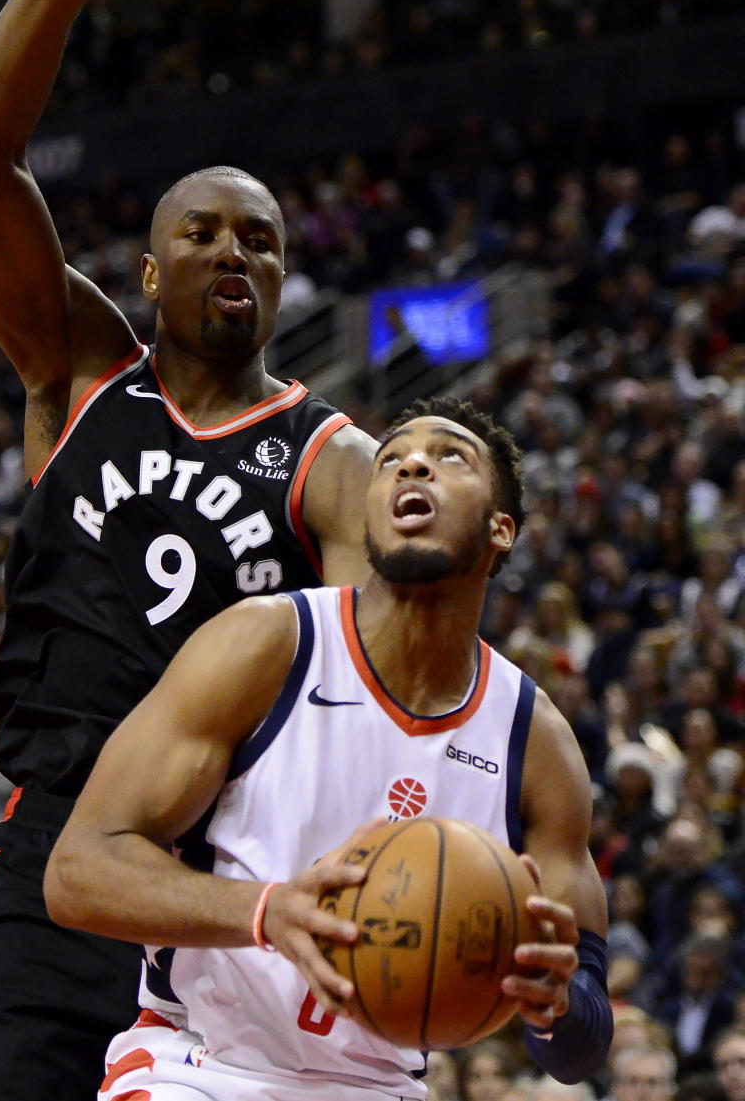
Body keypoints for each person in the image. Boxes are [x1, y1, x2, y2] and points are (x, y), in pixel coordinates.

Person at [0, 0, 377, 1101]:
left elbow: (355, 707)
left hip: (215, 878)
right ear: (150, 271)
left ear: (284, 279)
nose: (236, 252)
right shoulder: (74, 373)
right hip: (45, 864)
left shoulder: (330, 461)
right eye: (204, 233)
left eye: (263, 240)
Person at [46, 396, 613, 1099]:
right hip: (205, 1066)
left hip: (381, 1086)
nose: (412, 462)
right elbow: (77, 870)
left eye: (449, 457)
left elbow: (582, 1048)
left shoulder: (538, 743)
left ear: (501, 528)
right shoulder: (267, 643)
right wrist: (266, 910)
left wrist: (555, 1004)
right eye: (392, 458)